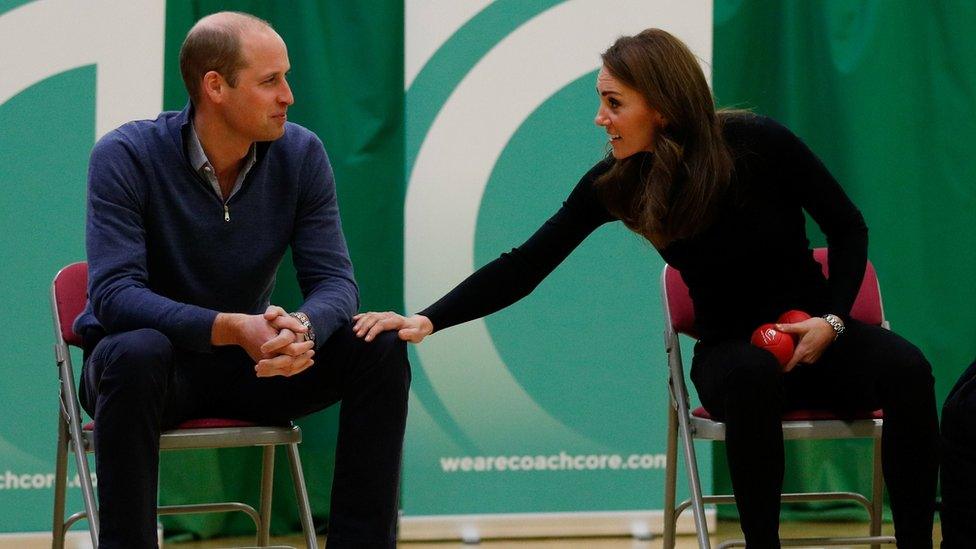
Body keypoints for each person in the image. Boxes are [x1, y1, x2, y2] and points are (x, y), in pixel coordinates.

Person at [353, 29, 938, 548]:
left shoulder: (760, 143)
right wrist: (428, 319)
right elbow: (525, 264)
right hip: (731, 353)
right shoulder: (618, 184)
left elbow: (847, 225)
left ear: (660, 107)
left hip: (818, 336)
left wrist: (833, 322)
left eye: (613, 103)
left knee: (908, 367)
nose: (600, 118)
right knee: (752, 377)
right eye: (601, 101)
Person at [75, 12, 409, 548]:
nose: (289, 96)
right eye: (270, 80)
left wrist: (300, 327)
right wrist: (232, 327)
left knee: (380, 343)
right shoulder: (126, 155)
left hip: (254, 366)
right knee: (137, 350)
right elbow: (115, 297)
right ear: (215, 86)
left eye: (288, 76)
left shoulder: (301, 154)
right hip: (150, 375)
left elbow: (336, 284)